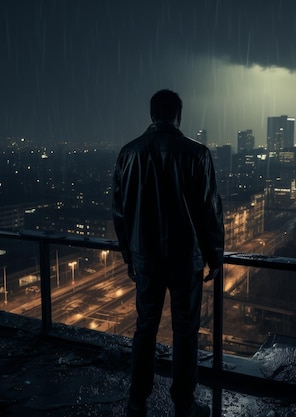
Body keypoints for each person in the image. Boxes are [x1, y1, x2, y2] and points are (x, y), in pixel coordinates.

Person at [112, 89, 225, 417]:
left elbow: (120, 213)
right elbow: (209, 211)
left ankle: (137, 399)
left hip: (146, 258)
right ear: (178, 116)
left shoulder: (128, 154)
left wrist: (129, 256)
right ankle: (183, 402)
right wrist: (214, 256)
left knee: (145, 327)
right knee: (185, 331)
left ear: (152, 116)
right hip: (184, 258)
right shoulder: (197, 154)